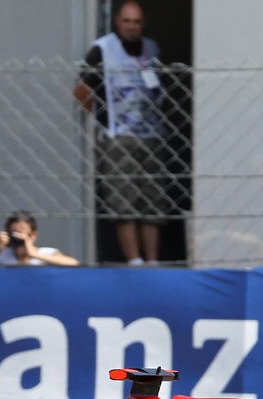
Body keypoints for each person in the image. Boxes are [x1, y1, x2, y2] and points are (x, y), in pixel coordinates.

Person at [73, 0, 169, 266]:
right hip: (119, 135)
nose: (132, 27)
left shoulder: (150, 49)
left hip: (151, 134)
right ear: (118, 21)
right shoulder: (103, 50)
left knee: (153, 200)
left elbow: (156, 84)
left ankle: (152, 260)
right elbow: (81, 89)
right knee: (123, 199)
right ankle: (134, 260)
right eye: (127, 21)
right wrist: (102, 118)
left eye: (136, 22)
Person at [0, 210, 79, 267]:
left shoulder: (46, 254)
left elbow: (73, 263)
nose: (18, 238)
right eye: (14, 234)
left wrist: (33, 254)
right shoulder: (2, 255)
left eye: (21, 234)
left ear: (33, 235)